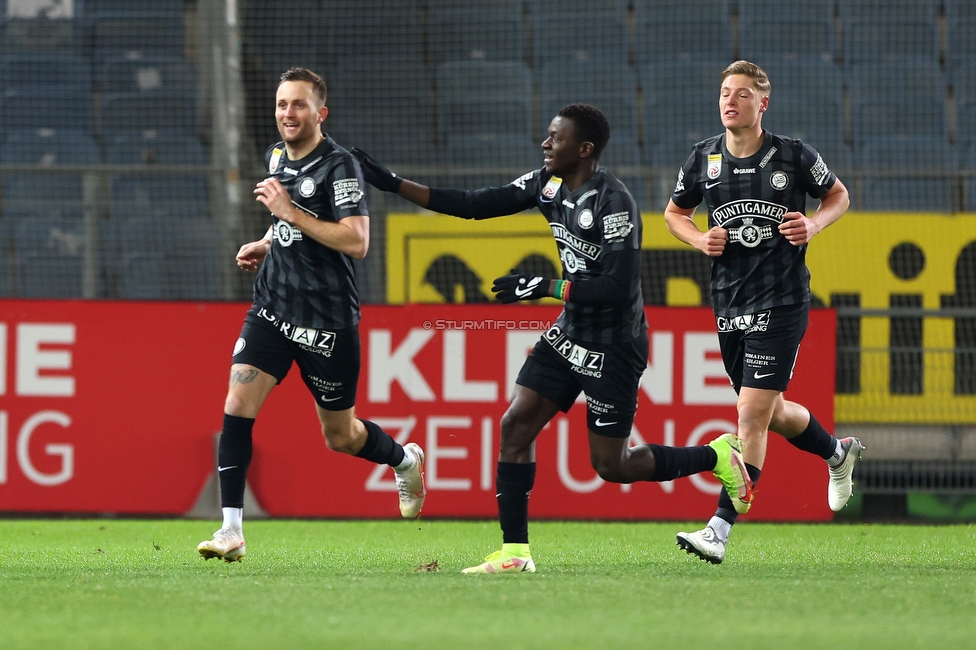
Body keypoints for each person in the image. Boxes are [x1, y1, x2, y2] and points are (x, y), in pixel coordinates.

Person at [353, 103, 753, 574]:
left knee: (612, 465)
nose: (545, 144)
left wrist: (547, 286)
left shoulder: (614, 202)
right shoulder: (547, 184)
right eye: (547, 136)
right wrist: (392, 182)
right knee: (514, 426)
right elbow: (475, 205)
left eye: (555, 138)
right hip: (569, 334)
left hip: (613, 344)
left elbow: (617, 287)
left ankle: (717, 454)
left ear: (583, 149)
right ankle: (514, 553)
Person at [197, 68, 426, 562]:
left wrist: (289, 215)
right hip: (273, 309)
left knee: (340, 436)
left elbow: (357, 241)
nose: (288, 114)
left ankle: (404, 459)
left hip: (326, 322)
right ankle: (231, 530)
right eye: (281, 105)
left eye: (298, 105)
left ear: (321, 113)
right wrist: (266, 241)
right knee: (237, 401)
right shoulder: (276, 156)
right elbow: (286, 216)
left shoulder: (340, 166)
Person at [664, 60, 864, 564]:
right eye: (724, 92)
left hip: (783, 299)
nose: (730, 101)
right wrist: (698, 238)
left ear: (762, 103)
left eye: (742, 94)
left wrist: (814, 225)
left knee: (750, 414)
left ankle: (718, 528)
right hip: (729, 302)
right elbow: (674, 213)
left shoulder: (794, 156)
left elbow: (838, 195)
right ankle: (836, 454)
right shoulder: (703, 159)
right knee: (770, 412)